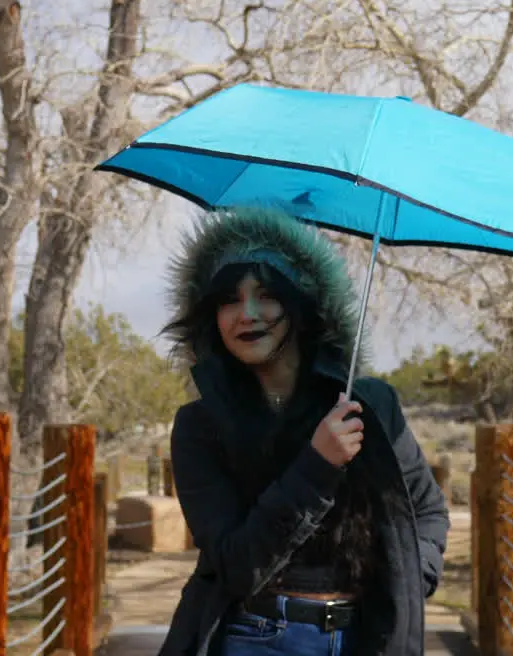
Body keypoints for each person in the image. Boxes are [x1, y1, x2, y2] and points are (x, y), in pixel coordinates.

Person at [156, 206, 450, 656]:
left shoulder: (366, 405)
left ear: (299, 303)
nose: (247, 314)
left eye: (265, 295)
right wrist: (318, 465)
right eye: (228, 300)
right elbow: (236, 565)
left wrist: (409, 578)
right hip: (259, 637)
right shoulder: (201, 427)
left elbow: (427, 511)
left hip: (367, 638)